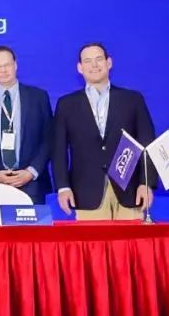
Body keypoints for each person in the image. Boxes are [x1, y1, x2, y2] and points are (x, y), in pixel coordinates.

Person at [52, 42, 157, 220]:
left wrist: (146, 183)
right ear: (80, 68)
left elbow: (147, 143)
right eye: (87, 61)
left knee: (130, 239)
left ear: (109, 63)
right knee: (91, 240)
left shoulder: (132, 99)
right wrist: (63, 187)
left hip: (130, 192)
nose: (94, 65)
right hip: (85, 194)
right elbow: (58, 150)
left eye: (99, 59)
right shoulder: (66, 104)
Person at [0, 45, 54, 204]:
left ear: (15, 65)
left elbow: (49, 139)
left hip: (33, 185)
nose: (3, 70)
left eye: (7, 65)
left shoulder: (39, 97)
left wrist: (31, 172)